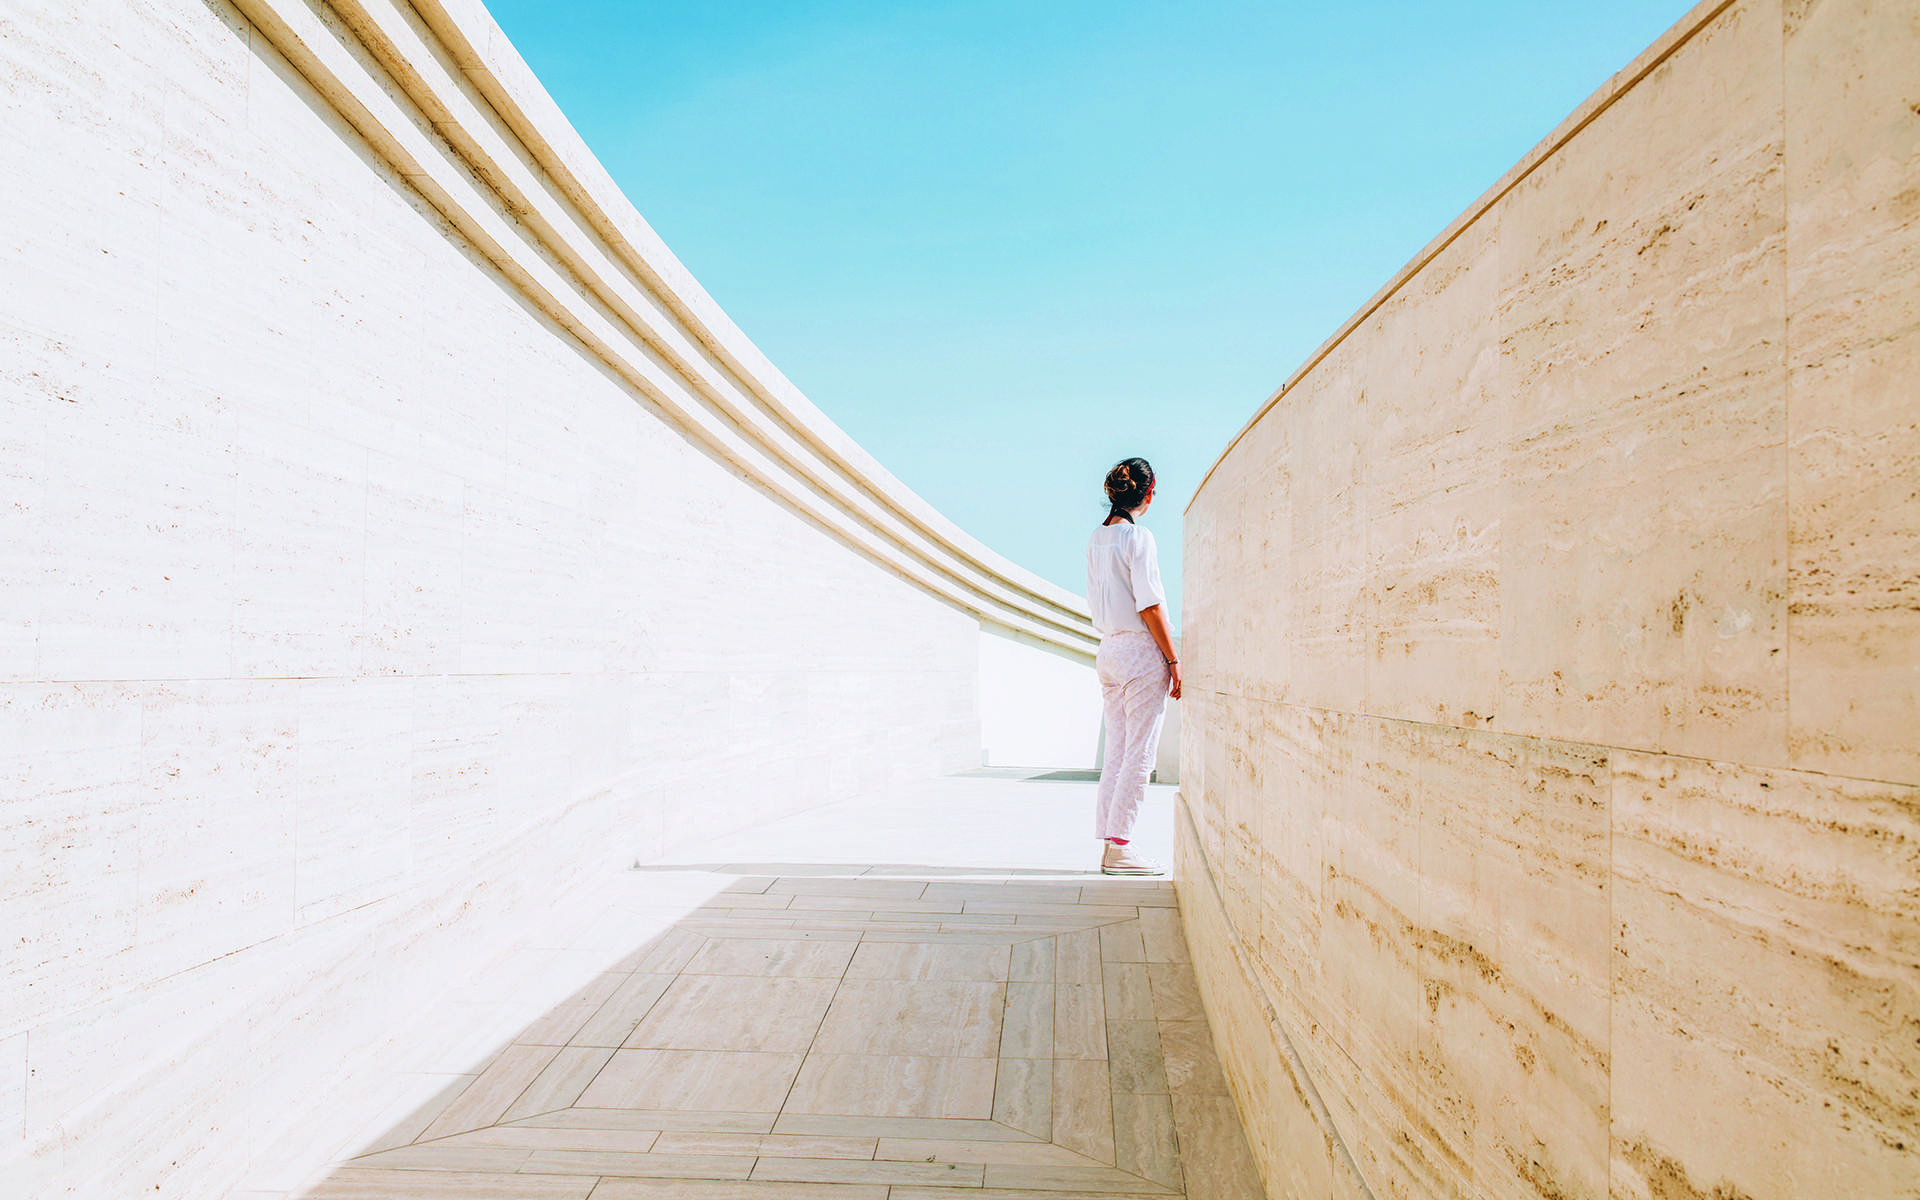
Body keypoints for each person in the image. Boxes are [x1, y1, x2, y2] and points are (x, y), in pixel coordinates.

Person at [1086, 457, 1180, 875]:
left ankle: (1111, 843)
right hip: (1140, 652)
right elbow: (1151, 604)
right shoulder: (1138, 538)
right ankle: (1120, 846)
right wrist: (1173, 659)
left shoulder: (1096, 538)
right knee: (1139, 753)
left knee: (1118, 752)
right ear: (1148, 493)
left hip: (1108, 650)